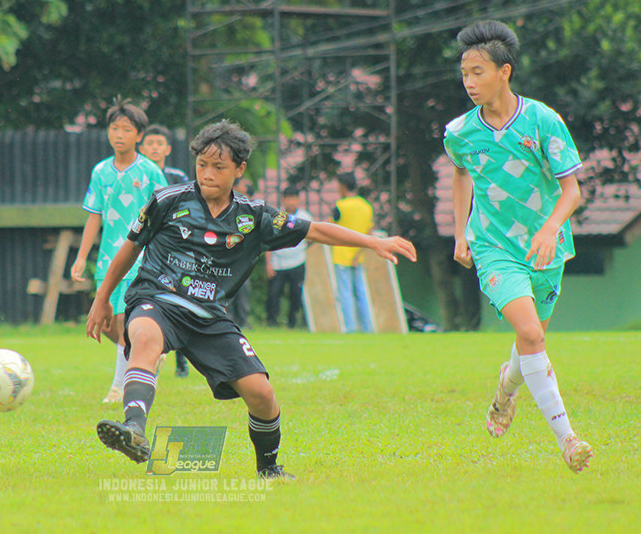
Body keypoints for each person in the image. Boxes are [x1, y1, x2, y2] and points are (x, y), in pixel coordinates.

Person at [85, 120, 416, 480]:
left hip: (209, 316)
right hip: (158, 299)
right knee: (145, 339)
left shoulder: (253, 216)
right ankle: (134, 429)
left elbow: (316, 229)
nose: (207, 174)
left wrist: (374, 242)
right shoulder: (168, 200)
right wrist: (102, 299)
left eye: (218, 167)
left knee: (261, 393)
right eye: (202, 165)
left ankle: (269, 468)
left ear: (239, 169)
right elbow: (129, 249)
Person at [444, 20, 594, 473]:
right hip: (493, 247)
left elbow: (572, 191)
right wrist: (459, 232)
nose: (469, 82)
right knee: (529, 334)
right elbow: (460, 173)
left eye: (478, 72)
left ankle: (506, 389)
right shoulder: (459, 132)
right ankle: (568, 440)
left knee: (534, 337)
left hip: (545, 246)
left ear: (504, 72)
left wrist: (549, 230)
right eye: (465, 73)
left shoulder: (542, 120)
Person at [72, 100, 167, 404]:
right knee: (109, 324)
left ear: (138, 135)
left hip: (141, 258)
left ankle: (120, 386)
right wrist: (81, 256)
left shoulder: (150, 172)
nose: (119, 134)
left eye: (127, 129)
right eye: (115, 128)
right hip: (107, 260)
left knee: (127, 320)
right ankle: (150, 353)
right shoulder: (100, 171)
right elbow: (93, 215)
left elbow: (167, 213)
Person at [140, 124, 192, 378]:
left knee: (180, 299)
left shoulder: (178, 177)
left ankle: (182, 360)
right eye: (150, 144)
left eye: (159, 144)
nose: (155, 148)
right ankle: (149, 354)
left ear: (168, 149)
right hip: (145, 247)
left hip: (176, 249)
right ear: (141, 148)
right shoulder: (136, 177)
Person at [331, 172, 374, 333]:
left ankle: (350, 327)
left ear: (342, 186)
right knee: (361, 293)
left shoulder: (340, 206)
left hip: (342, 255)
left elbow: (329, 226)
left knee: (346, 293)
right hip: (359, 256)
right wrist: (360, 253)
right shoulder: (366, 206)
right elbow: (369, 230)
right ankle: (367, 328)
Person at [265, 186, 312, 328]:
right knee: (274, 294)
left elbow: (312, 238)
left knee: (296, 294)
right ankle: (272, 322)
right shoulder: (277, 216)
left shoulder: (305, 217)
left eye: (294, 198)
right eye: (288, 198)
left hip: (297, 262)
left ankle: (292, 323)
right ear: (284, 200)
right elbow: (268, 240)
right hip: (278, 263)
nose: (291, 202)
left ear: (298, 200)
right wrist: (268, 263)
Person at [226, 177, 255, 327]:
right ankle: (228, 320)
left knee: (243, 292)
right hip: (226, 260)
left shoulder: (251, 212)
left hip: (242, 260)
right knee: (227, 291)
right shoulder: (226, 208)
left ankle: (243, 321)